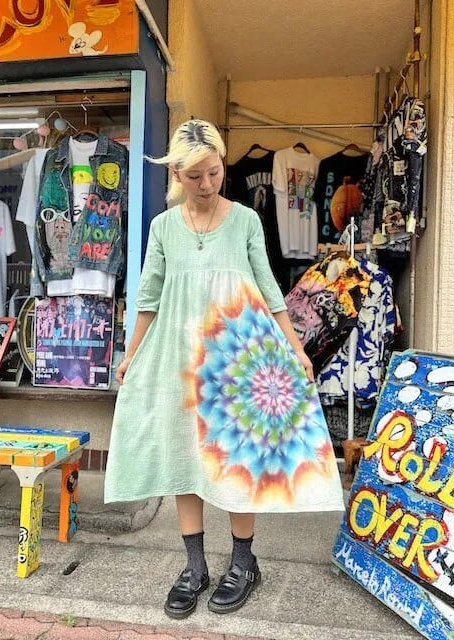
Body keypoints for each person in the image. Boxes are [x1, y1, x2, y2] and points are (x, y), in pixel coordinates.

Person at [104, 119, 344, 619]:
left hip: (238, 359)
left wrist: (296, 348)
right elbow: (148, 298)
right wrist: (130, 355)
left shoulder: (245, 221)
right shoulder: (163, 227)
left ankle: (243, 563)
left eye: (214, 172)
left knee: (237, 457)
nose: (207, 184)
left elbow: (269, 289)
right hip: (179, 358)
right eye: (195, 176)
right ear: (177, 175)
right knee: (183, 454)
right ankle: (195, 567)